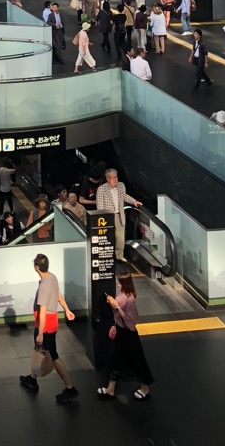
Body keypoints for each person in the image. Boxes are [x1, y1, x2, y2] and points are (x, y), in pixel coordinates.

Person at [19, 253, 78, 400]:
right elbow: (58, 295)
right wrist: (67, 309)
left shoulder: (44, 285)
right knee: (39, 351)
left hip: (45, 325)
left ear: (37, 267)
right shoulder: (52, 277)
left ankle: (70, 387)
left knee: (53, 355)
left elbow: (43, 311)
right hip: (49, 322)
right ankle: (33, 379)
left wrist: (40, 333)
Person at [97, 272, 154, 400]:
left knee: (137, 361)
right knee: (114, 360)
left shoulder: (131, 299)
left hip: (129, 334)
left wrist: (116, 307)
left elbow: (130, 320)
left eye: (120, 282)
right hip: (121, 332)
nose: (118, 284)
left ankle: (144, 387)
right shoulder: (119, 292)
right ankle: (111, 388)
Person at [95, 167, 143, 261]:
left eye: (116, 177)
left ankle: (119, 255)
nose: (115, 179)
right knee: (108, 237)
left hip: (119, 215)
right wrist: (102, 219)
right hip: (107, 216)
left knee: (120, 237)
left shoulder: (121, 185)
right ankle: (107, 256)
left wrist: (134, 201)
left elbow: (125, 196)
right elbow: (100, 207)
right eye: (112, 178)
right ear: (107, 179)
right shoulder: (101, 189)